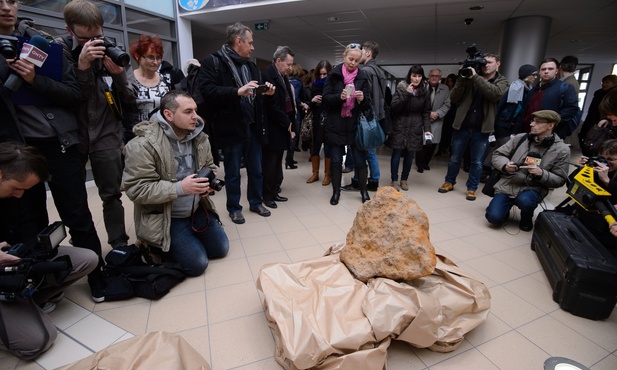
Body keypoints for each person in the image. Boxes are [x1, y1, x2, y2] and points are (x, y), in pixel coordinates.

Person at [0, 0, 105, 302]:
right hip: (17, 150)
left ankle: (97, 275)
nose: (7, 8)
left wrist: (34, 79)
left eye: (12, 1)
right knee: (28, 220)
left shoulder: (42, 42)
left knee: (78, 215)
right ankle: (41, 283)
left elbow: (74, 95)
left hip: (60, 143)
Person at [0, 142, 97, 360]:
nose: (18, 195)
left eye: (25, 190)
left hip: (13, 264)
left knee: (87, 259)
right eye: (16, 187)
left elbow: (27, 227)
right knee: (37, 342)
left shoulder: (16, 194)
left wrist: (26, 254)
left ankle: (27, 301)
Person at [57, 0, 135, 254]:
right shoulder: (59, 51)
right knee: (74, 198)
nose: (93, 43)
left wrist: (119, 74)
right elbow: (69, 96)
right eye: (85, 38)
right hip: (72, 135)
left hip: (106, 133)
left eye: (98, 36)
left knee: (111, 194)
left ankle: (118, 242)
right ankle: (84, 246)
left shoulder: (111, 50)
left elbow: (129, 97)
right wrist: (82, 66)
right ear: (70, 31)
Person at [122, 90, 229, 276]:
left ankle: (185, 239)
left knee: (221, 249)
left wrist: (208, 182)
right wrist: (181, 188)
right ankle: (155, 244)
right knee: (198, 264)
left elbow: (210, 165)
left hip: (196, 208)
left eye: (195, 110)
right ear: (168, 115)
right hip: (167, 215)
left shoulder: (200, 137)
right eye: (188, 112)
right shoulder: (142, 145)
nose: (195, 116)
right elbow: (136, 189)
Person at [195, 22, 273, 224]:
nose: (253, 47)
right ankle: (234, 208)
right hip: (230, 126)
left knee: (256, 169)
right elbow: (206, 90)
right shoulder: (213, 62)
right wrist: (236, 91)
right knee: (232, 173)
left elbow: (254, 93)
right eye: (251, 42)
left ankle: (256, 202)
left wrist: (267, 92)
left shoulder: (251, 65)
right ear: (239, 41)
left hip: (252, 125)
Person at [438, 53, 509, 201]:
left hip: (482, 129)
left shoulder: (502, 81)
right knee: (454, 158)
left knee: (476, 161)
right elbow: (454, 98)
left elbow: (494, 94)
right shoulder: (469, 78)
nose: (486, 65)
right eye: (484, 63)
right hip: (462, 126)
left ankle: (472, 188)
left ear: (498, 64)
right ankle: (449, 182)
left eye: (489, 62)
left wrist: (475, 77)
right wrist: (462, 79)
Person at [485, 110, 570, 231]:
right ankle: (504, 210)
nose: (532, 124)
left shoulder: (562, 150)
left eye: (538, 122)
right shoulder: (520, 138)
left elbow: (560, 179)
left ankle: (527, 216)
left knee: (525, 201)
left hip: (533, 188)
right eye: (532, 121)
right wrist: (505, 165)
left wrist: (541, 173)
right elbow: (498, 154)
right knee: (493, 218)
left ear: (551, 125)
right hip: (509, 184)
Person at [322, 43, 371, 205]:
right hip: (336, 124)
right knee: (336, 160)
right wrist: (339, 97)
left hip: (354, 125)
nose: (353, 63)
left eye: (356, 61)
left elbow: (367, 105)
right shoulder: (333, 76)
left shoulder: (363, 77)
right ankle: (336, 192)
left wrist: (362, 99)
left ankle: (364, 191)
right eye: (350, 59)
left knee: (359, 160)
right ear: (344, 57)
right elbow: (326, 100)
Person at [261, 46, 296, 209]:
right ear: (278, 61)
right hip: (272, 127)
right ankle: (267, 195)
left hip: (281, 126)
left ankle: (274, 191)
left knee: (277, 163)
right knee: (269, 164)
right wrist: (287, 122)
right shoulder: (267, 76)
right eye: (288, 64)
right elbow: (271, 106)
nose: (290, 68)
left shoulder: (283, 76)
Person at [388, 65, 432, 191]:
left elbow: (426, 112)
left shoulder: (425, 91)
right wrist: (407, 94)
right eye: (414, 75)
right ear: (409, 76)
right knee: (396, 153)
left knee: (409, 154)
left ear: (422, 77)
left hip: (415, 126)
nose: (416, 79)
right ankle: (394, 180)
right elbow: (394, 107)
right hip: (400, 124)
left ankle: (404, 179)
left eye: (419, 76)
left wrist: (427, 129)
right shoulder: (401, 88)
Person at [125, 34, 172, 142]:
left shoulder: (167, 80)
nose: (155, 62)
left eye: (158, 58)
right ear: (137, 56)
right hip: (135, 139)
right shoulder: (129, 80)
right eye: (150, 57)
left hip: (162, 138)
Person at [520, 58, 579, 140]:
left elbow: (571, 109)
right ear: (539, 72)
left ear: (556, 71)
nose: (546, 71)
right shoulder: (533, 90)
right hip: (529, 133)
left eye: (550, 69)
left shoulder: (565, 88)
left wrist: (550, 123)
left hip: (551, 135)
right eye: (543, 69)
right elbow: (524, 111)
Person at [417, 68, 450, 171]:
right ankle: (420, 165)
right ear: (428, 76)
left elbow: (447, 104)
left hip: (437, 119)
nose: (434, 77)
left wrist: (437, 114)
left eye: (437, 76)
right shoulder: (421, 87)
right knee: (421, 144)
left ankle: (426, 163)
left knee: (432, 144)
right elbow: (417, 103)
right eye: (432, 75)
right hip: (423, 119)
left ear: (440, 78)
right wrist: (428, 114)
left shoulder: (445, 89)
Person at [306, 60, 333, 185]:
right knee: (315, 146)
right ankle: (315, 173)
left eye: (325, 74)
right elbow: (309, 106)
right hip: (317, 118)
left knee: (327, 147)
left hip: (328, 118)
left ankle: (327, 174)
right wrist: (312, 100)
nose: (322, 77)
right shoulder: (314, 84)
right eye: (320, 74)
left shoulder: (333, 85)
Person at [578, 74, 617, 156]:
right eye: (603, 82)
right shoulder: (598, 93)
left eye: (607, 82)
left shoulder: (612, 98)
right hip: (593, 122)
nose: (604, 84)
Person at [286, 63, 308, 169]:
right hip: (295, 113)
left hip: (286, 112)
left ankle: (289, 159)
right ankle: (289, 160)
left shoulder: (286, 81)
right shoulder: (298, 83)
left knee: (289, 136)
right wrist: (303, 104)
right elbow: (295, 98)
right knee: (294, 136)